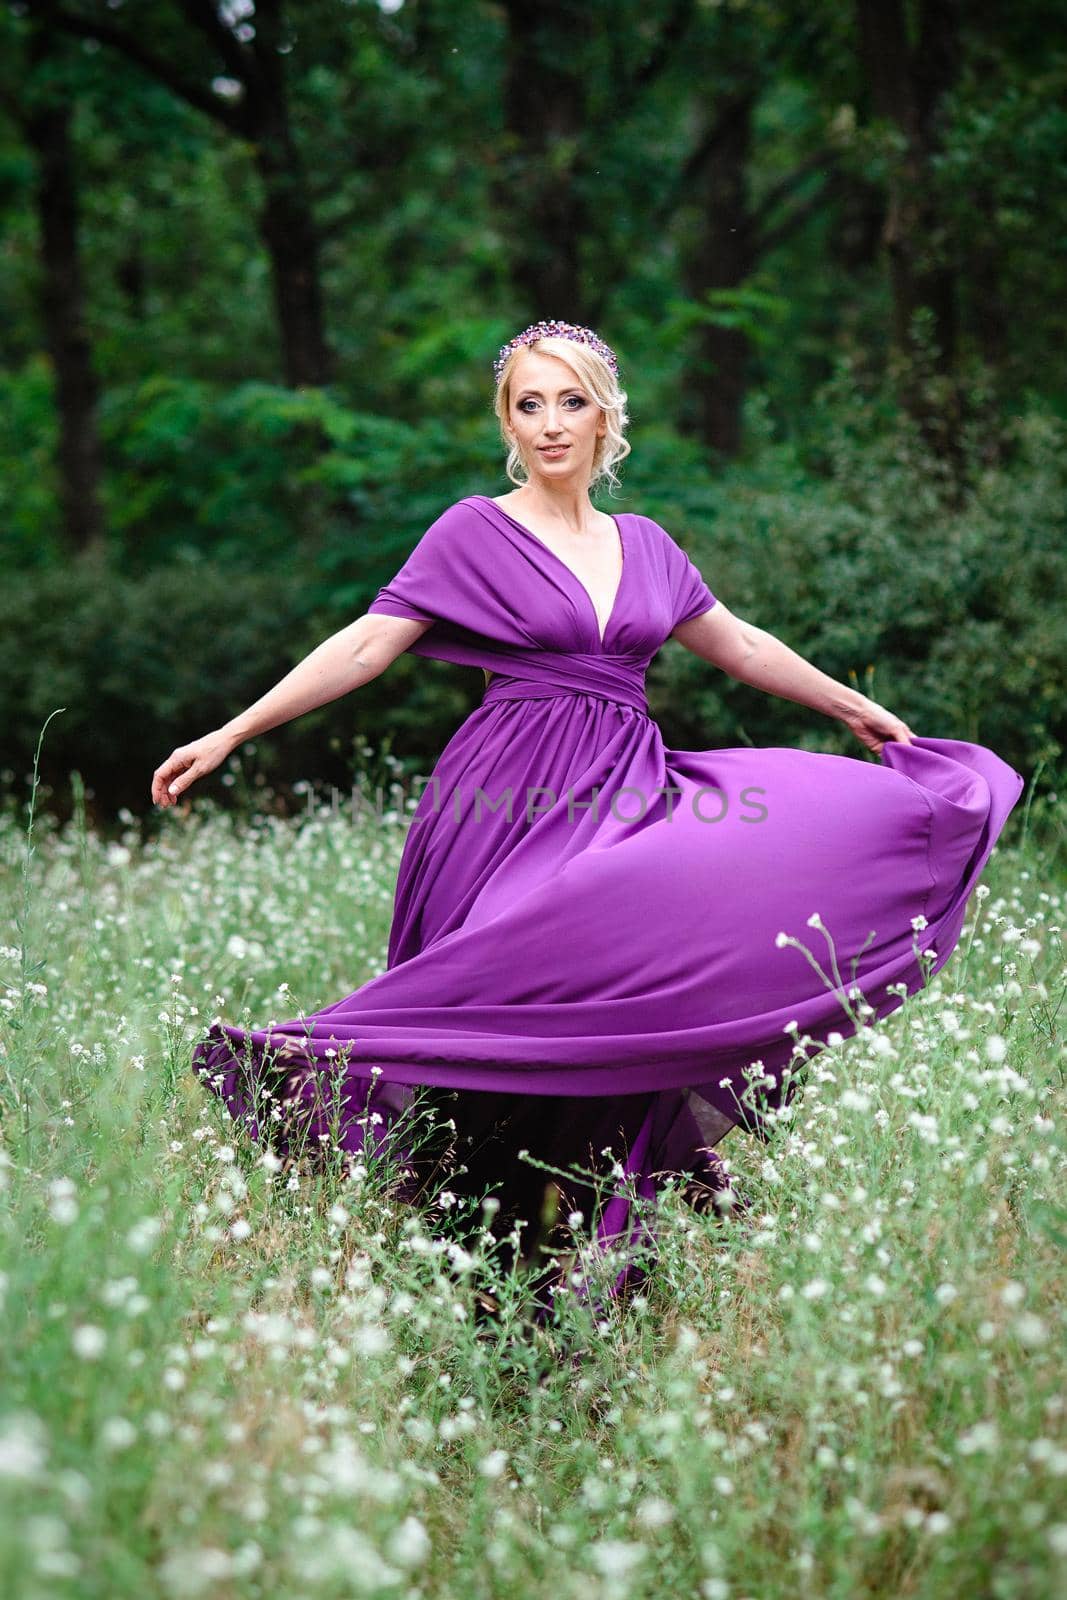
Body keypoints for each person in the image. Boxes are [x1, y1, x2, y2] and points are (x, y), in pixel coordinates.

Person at [152, 319, 1023, 1313]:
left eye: (570, 401)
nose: (550, 423)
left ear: (605, 413)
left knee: (628, 983)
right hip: (501, 803)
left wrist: (848, 705)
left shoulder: (643, 544)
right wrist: (232, 731)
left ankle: (578, 1267)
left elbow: (733, 640)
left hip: (621, 790)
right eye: (529, 404)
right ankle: (478, 1269)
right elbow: (364, 647)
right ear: (507, 421)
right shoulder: (471, 531)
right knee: (511, 996)